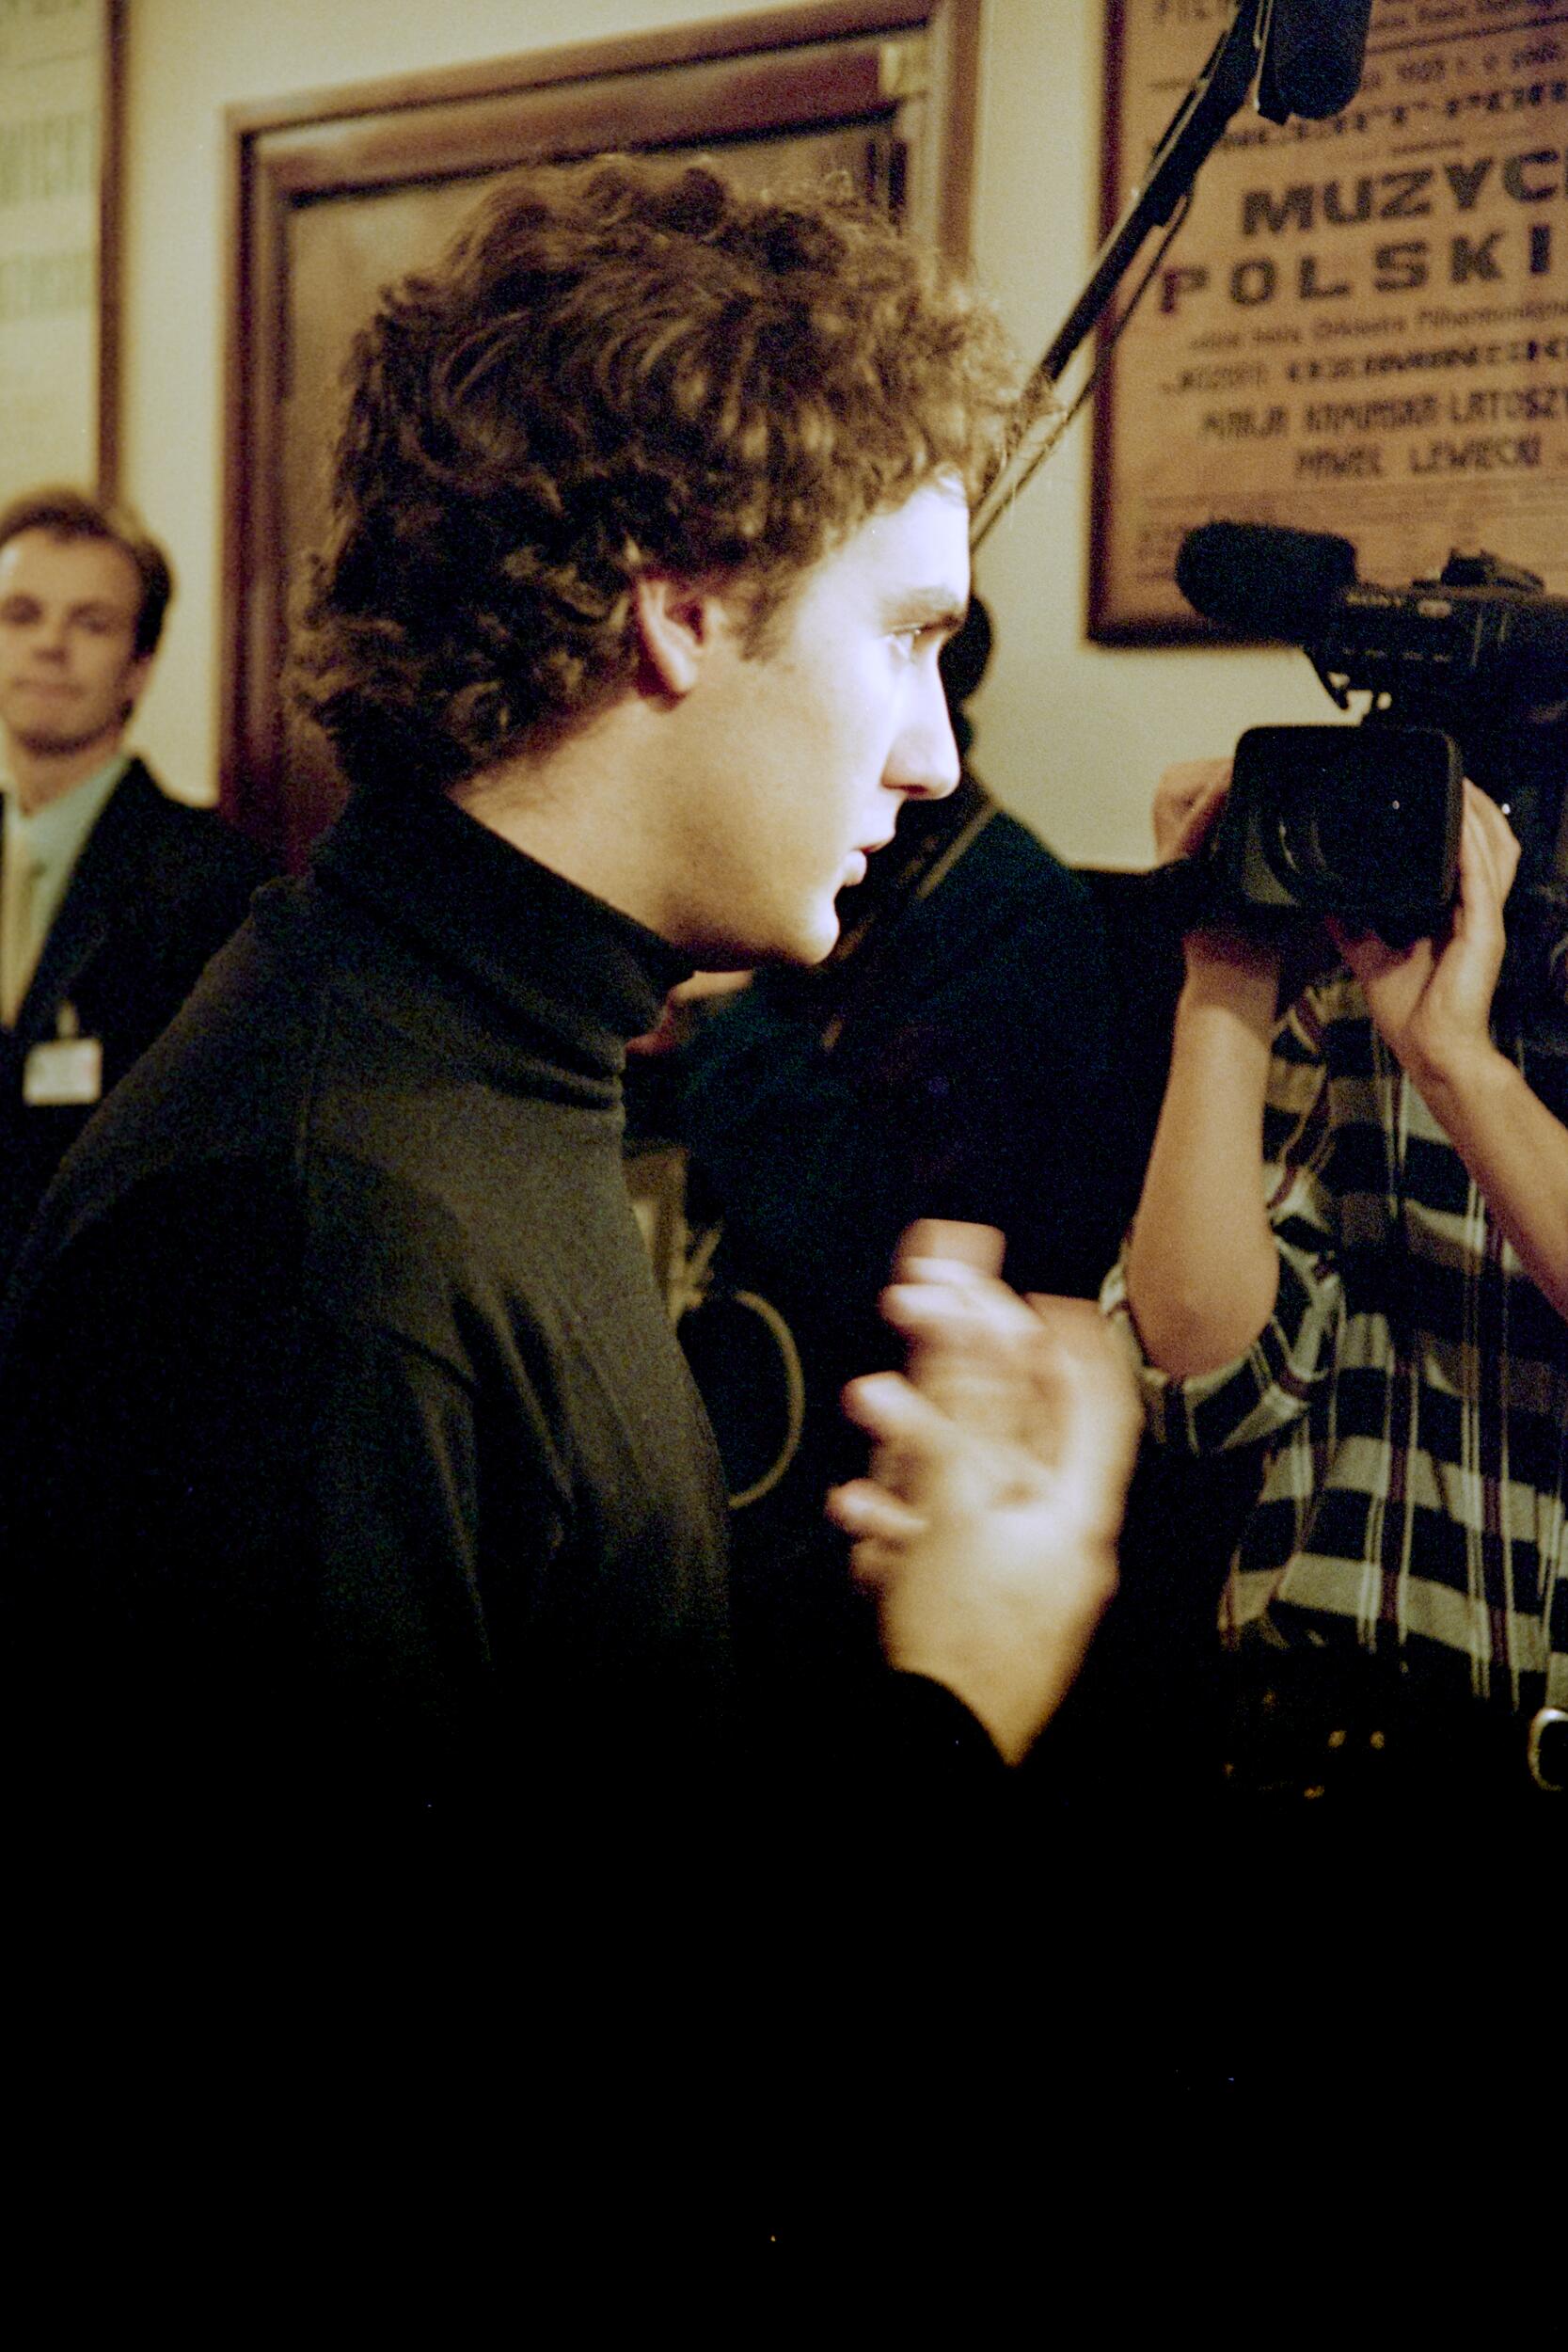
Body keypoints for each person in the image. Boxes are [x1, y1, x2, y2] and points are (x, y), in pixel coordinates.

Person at [0, 155, 1101, 1862]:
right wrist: (955, 1698)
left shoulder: (478, 1055)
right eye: (903, 638)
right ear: (679, 608)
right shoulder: (308, 1229)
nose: (931, 754)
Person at [1103, 754, 1568, 2088]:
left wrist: (1459, 1069)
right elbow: (1203, 1372)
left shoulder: (1438, 1039)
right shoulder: (1365, 1005)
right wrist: (1224, 974)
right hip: (1332, 1786)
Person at [652, 595, 1134, 1703]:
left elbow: (885, 1246)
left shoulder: (1012, 915)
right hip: (722, 1462)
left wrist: (724, 1017)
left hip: (865, 1513)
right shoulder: (801, 862)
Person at [0, 487, 269, 1281]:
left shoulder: (219, 886)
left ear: (139, 669)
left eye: (91, 623)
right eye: (21, 614)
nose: (50, 645)